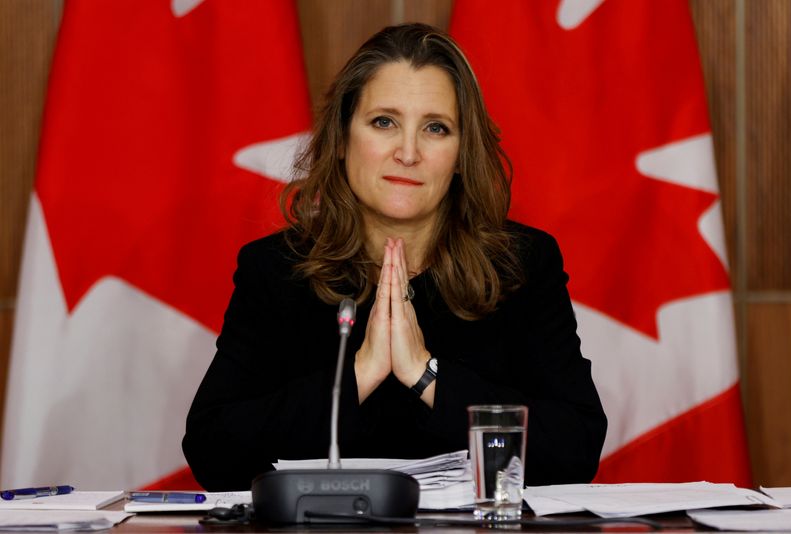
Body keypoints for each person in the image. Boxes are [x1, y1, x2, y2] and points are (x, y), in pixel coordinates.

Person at [182, 23, 607, 491]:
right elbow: (213, 452)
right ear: (343, 140)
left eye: (436, 128)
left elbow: (575, 450)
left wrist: (425, 374)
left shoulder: (522, 265)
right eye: (384, 122)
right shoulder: (278, 270)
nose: (408, 152)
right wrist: (361, 372)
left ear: (462, 152)